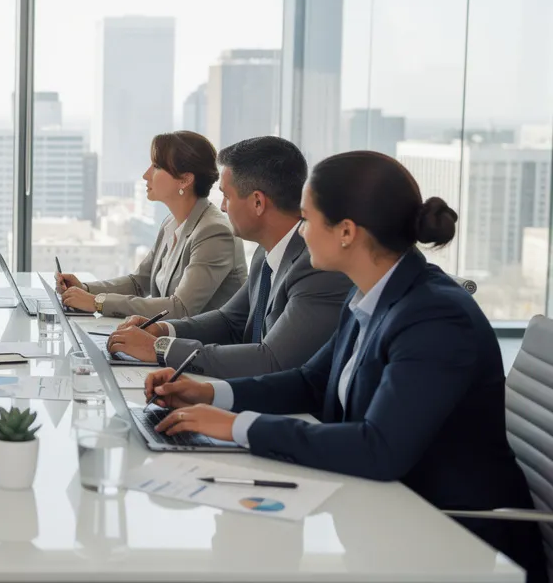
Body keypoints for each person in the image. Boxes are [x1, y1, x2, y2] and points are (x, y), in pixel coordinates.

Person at [145, 151, 547, 583]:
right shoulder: (370, 296)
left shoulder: (434, 316)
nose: (300, 231)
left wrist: (236, 426)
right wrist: (209, 394)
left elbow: (379, 448)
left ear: (347, 233)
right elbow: (310, 382)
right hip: (387, 510)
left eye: (306, 219)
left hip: (454, 539)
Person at [104, 136, 351, 377]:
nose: (222, 206)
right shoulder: (266, 253)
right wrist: (161, 330)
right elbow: (230, 320)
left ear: (257, 202)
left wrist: (160, 349)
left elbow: (271, 360)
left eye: (227, 196)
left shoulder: (315, 266)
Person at [56, 131, 246, 319]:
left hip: (205, 346)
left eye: (156, 166)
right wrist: (84, 289)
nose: (146, 174)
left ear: (185, 179)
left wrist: (97, 302)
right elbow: (139, 282)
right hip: (169, 339)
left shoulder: (213, 232)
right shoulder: (171, 223)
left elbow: (180, 309)